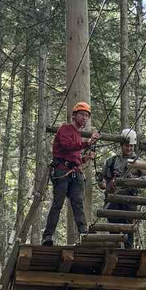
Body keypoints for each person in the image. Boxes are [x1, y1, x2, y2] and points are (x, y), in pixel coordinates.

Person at [41, 101, 99, 246]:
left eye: (86, 116)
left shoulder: (78, 135)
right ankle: (47, 236)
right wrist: (87, 143)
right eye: (82, 115)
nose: (84, 118)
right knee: (58, 203)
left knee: (77, 203)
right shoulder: (65, 129)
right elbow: (67, 146)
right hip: (61, 171)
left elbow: (75, 157)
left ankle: (83, 233)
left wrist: (86, 157)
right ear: (74, 116)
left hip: (73, 173)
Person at [98, 128, 143, 248]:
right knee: (113, 225)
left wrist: (135, 180)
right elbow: (102, 180)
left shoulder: (138, 162)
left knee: (129, 226)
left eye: (132, 146)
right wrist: (103, 183)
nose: (129, 148)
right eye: (127, 146)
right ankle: (115, 250)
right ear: (121, 145)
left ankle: (128, 251)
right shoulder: (111, 161)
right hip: (113, 198)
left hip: (129, 198)